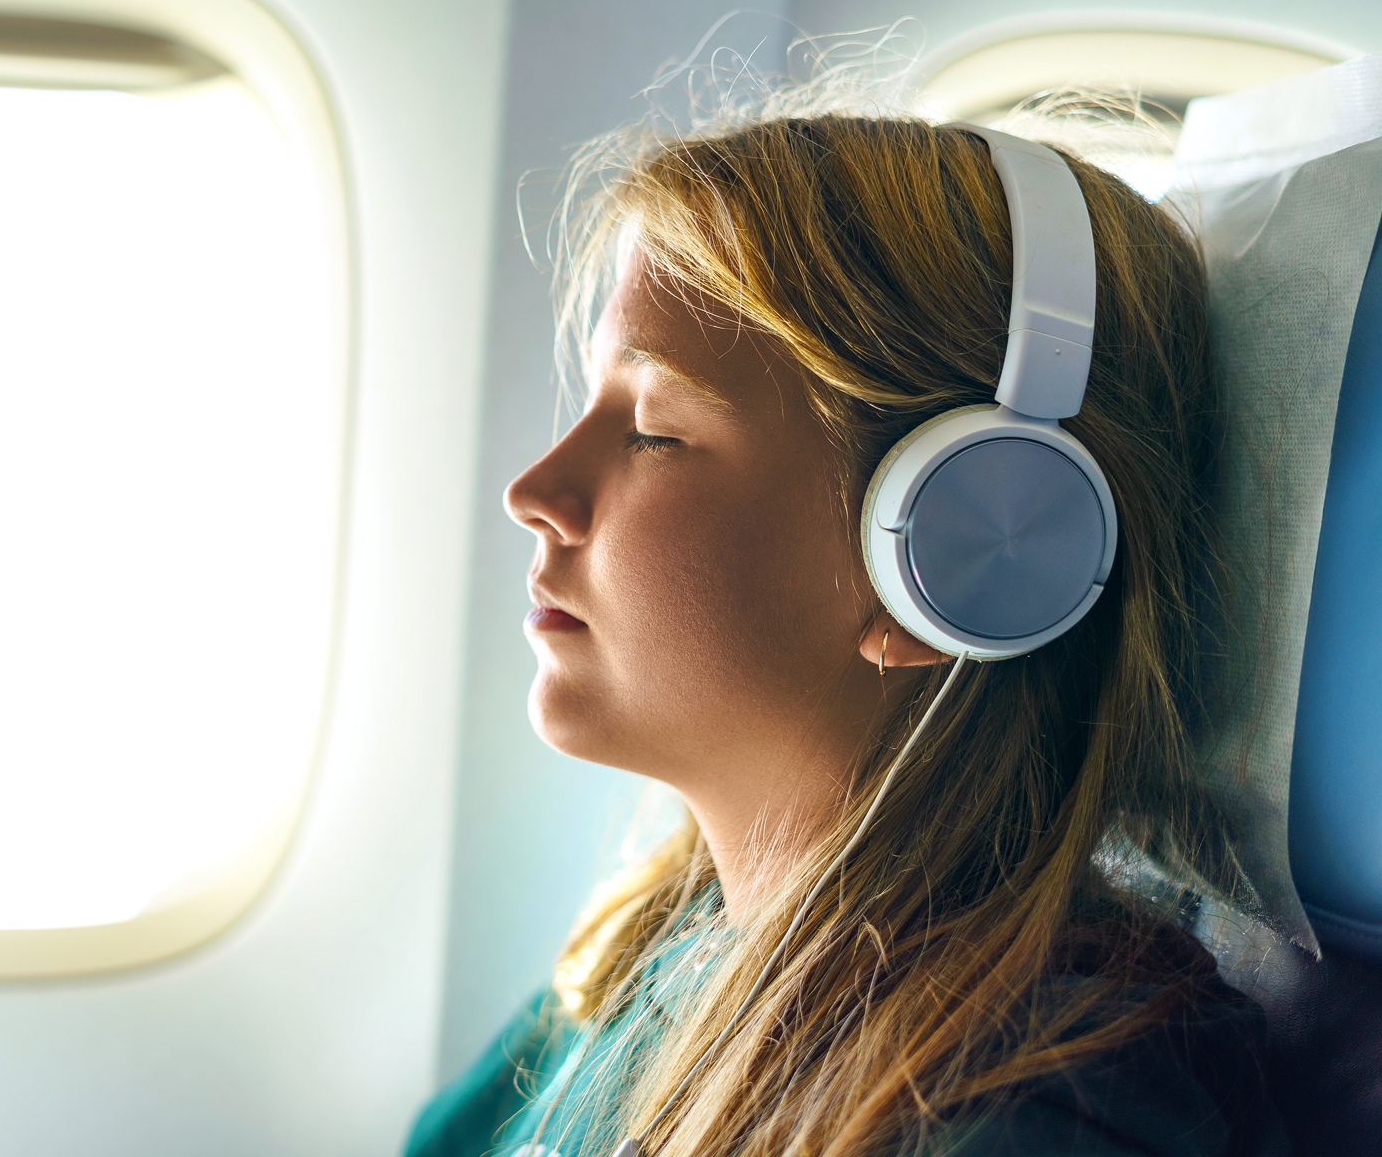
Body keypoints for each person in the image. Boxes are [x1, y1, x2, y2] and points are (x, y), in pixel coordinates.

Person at [406, 110, 1286, 1157]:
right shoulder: (660, 940)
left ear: (954, 552)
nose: (532, 491)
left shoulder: (1019, 1113)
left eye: (654, 430)